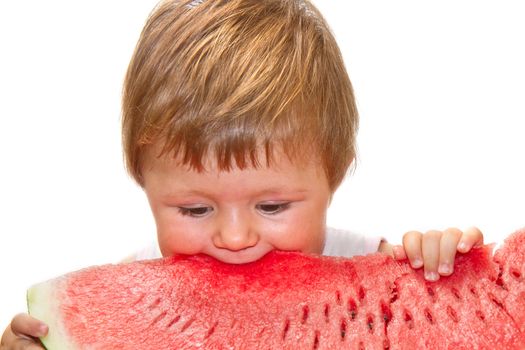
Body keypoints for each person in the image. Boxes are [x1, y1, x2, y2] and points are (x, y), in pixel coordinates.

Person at [0, 0, 483, 348]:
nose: (234, 236)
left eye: (271, 206)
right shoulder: (128, 286)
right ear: (142, 180)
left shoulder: (372, 263)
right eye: (195, 208)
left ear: (333, 176)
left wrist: (444, 278)